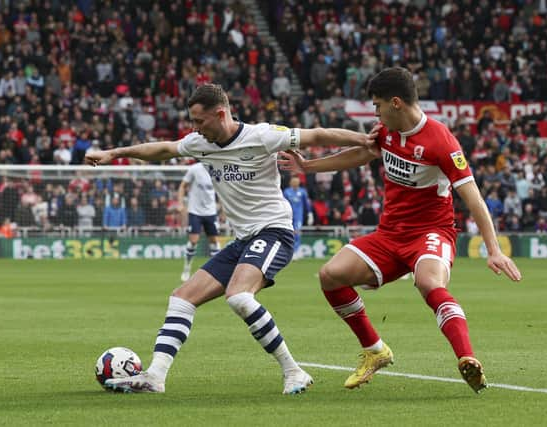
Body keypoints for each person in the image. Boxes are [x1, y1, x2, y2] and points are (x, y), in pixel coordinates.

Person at [85, 83, 371, 395]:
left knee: (239, 296)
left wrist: (364, 138)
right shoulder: (200, 143)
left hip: (274, 230)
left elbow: (316, 135)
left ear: (220, 114)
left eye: (199, 121)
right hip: (242, 239)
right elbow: (164, 148)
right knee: (182, 298)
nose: (194, 128)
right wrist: (114, 153)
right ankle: (155, 376)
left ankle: (294, 371)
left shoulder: (262, 135)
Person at [279, 67, 521, 393]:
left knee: (428, 282)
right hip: (389, 234)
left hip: (431, 233)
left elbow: (474, 199)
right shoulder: (386, 132)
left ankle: (467, 359)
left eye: (377, 105)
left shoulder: (441, 142)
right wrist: (308, 167)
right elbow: (362, 153)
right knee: (330, 275)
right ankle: (375, 350)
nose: (375, 112)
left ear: (396, 103)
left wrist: (493, 249)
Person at [177, 161, 221, 281]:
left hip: (211, 211)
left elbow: (222, 190)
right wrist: (180, 203)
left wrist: (223, 208)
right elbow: (182, 186)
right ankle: (187, 268)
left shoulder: (217, 169)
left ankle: (216, 271)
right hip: (195, 211)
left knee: (214, 241)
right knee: (193, 240)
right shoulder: (195, 169)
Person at [282, 176, 312, 259]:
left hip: (299, 216)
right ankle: (289, 251)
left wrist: (310, 214)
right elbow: (283, 203)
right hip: (288, 215)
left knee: (297, 233)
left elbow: (306, 204)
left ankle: (295, 251)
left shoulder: (302, 192)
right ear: (291, 183)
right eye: (293, 182)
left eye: (297, 182)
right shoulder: (287, 192)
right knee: (289, 233)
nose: (295, 183)